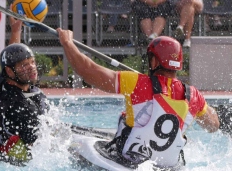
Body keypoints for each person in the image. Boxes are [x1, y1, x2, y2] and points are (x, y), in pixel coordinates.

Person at [56, 28, 220, 168]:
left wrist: (67, 43)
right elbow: (213, 125)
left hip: (128, 162)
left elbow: (87, 71)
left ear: (154, 61)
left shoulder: (136, 82)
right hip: (167, 166)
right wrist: (204, 107)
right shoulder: (193, 96)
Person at [0, 15, 49, 165]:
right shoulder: (23, 108)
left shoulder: (0, 82)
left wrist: (15, 31)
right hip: (14, 162)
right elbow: (41, 147)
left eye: (32, 62)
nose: (32, 67)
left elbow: (9, 57)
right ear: (10, 72)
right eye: (24, 65)